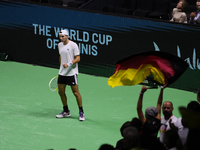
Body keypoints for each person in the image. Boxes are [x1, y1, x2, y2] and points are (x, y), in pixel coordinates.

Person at [55, 29, 85, 121]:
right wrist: (61, 67)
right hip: (62, 73)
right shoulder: (59, 45)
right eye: (60, 36)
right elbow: (61, 56)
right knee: (61, 92)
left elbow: (78, 58)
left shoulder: (73, 45)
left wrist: (69, 64)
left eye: (63, 36)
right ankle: (66, 111)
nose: (61, 38)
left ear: (67, 36)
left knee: (76, 93)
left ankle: (81, 112)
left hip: (72, 73)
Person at [137, 85, 163, 150]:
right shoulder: (158, 120)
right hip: (153, 147)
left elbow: (139, 109)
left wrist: (141, 93)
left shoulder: (145, 123)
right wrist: (162, 89)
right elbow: (159, 103)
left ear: (145, 115)